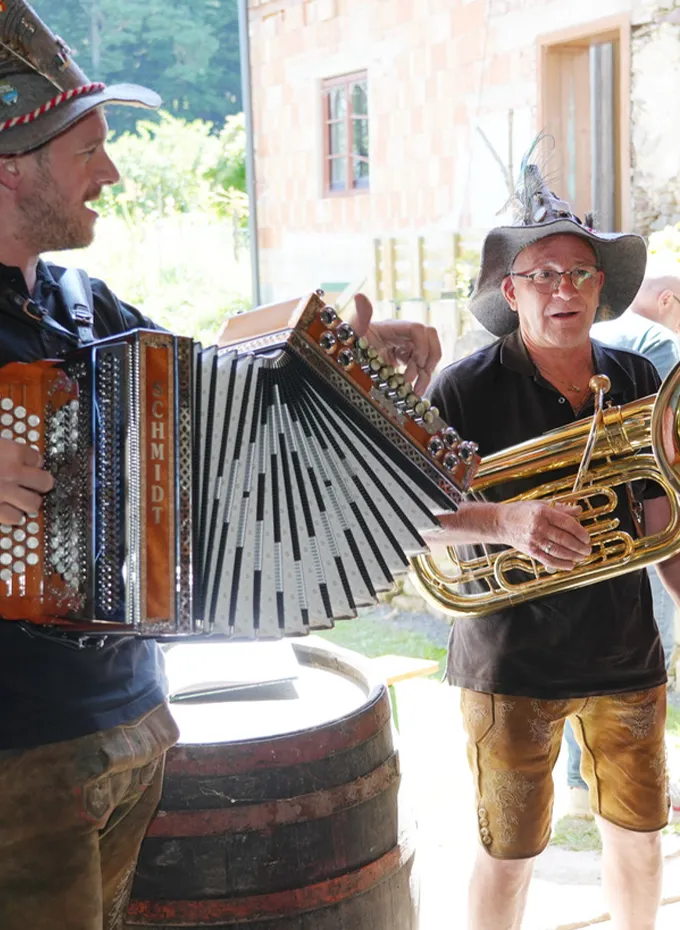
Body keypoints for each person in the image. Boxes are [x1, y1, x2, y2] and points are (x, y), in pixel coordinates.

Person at [0, 4, 441, 928]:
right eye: (90, 151)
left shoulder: (80, 302)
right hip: (18, 753)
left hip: (128, 722)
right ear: (13, 167)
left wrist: (342, 369)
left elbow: (224, 408)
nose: (112, 173)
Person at [424, 163, 680, 930]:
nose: (562, 289)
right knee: (508, 855)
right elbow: (408, 510)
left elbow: (660, 510)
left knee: (641, 840)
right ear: (511, 291)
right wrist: (507, 522)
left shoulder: (637, 375)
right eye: (542, 275)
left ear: (600, 287)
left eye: (579, 273)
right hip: (510, 662)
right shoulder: (461, 388)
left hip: (626, 650)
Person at [557, 272, 680, 818]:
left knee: (576, 659)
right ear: (668, 300)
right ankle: (611, 786)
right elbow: (666, 454)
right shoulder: (659, 348)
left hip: (589, 531)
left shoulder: (608, 341)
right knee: (646, 644)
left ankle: (580, 785)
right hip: (637, 531)